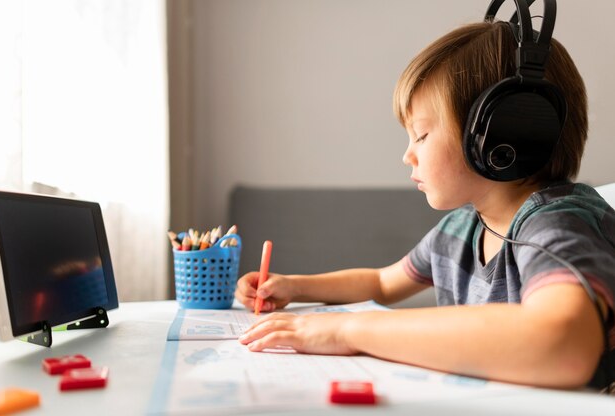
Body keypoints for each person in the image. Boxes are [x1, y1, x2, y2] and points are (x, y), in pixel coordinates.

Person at [235, 1, 615, 391]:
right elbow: (382, 283)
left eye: (421, 135)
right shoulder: (460, 229)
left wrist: (347, 330)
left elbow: (563, 345)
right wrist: (294, 287)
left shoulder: (558, 224)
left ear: (502, 135)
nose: (407, 154)